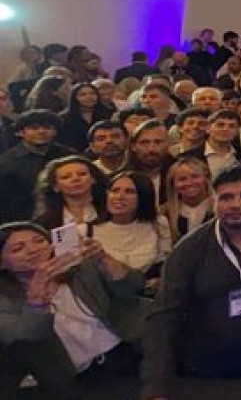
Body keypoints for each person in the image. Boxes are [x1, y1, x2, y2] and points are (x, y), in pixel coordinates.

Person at [140, 164, 241, 399]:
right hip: (208, 370)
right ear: (212, 199)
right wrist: (155, 389)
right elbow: (164, 316)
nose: (236, 204)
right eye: (226, 197)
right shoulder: (189, 249)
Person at [0, 221, 145, 398]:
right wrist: (37, 292)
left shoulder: (80, 269)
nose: (33, 250)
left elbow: (133, 286)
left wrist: (104, 259)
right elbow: (30, 334)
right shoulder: (4, 302)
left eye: (39, 241)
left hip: (128, 355)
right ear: (2, 263)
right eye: (18, 249)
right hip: (78, 380)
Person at [89, 171, 171, 278]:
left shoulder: (158, 223)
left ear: (143, 197)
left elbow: (164, 263)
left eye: (129, 192)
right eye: (115, 191)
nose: (119, 197)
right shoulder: (86, 231)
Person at [0, 110, 75, 224]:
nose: (41, 131)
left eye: (47, 127)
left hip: (66, 217)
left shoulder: (68, 155)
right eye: (34, 128)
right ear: (20, 132)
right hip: (22, 221)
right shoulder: (6, 163)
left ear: (55, 131)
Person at [31, 155, 108, 233]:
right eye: (66, 177)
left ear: (93, 179)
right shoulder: (44, 223)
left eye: (82, 174)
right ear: (55, 186)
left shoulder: (109, 210)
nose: (75, 179)